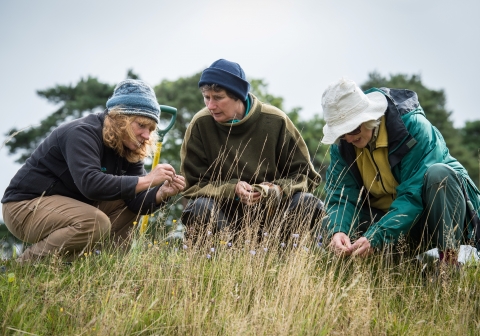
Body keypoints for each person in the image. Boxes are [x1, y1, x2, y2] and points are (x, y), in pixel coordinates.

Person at [2, 79, 185, 262]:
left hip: (73, 207)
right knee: (95, 221)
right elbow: (90, 184)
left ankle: (105, 268)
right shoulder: (81, 132)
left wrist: (161, 193)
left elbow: (134, 202)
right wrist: (148, 180)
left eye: (151, 129)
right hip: (24, 206)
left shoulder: (130, 147)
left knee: (125, 204)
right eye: (141, 125)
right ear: (121, 119)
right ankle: (22, 266)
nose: (146, 135)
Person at [321, 77, 480, 262]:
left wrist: (377, 236)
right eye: (341, 132)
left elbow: (413, 195)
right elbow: (341, 197)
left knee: (439, 175)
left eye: (353, 129)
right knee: (325, 223)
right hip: (391, 221)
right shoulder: (342, 146)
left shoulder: (414, 127)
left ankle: (449, 264)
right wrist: (339, 230)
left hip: (433, 216)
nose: (348, 138)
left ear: (370, 117)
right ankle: (396, 263)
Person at [180, 59, 323, 243]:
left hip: (275, 218)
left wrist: (274, 189)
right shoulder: (200, 124)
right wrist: (233, 189)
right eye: (206, 97)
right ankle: (215, 264)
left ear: (238, 95)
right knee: (199, 207)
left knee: (307, 202)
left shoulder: (275, 120)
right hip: (223, 219)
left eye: (218, 97)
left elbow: (306, 176)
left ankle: (281, 264)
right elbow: (191, 184)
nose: (210, 105)